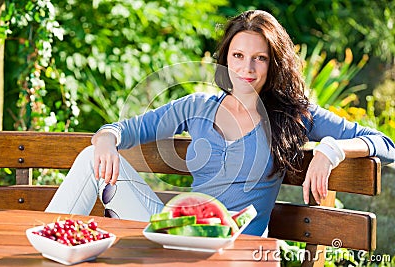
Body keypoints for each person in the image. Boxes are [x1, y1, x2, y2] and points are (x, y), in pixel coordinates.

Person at [46, 10, 395, 237]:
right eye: (238, 56)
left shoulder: (293, 115)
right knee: (88, 161)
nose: (247, 69)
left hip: (235, 248)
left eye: (260, 59)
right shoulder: (196, 106)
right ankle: (39, 247)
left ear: (273, 64)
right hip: (179, 234)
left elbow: (385, 143)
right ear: (225, 59)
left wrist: (331, 150)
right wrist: (105, 138)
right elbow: (128, 128)